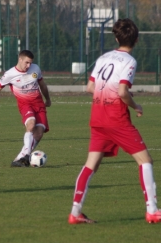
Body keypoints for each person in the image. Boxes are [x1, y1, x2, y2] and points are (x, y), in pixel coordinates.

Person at [68, 18, 161, 224]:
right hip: (116, 119)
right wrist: (136, 105)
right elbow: (122, 92)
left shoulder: (103, 58)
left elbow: (90, 88)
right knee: (145, 161)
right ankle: (153, 210)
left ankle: (75, 212)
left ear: (116, 37)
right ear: (136, 40)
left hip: (98, 118)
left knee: (91, 165)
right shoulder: (129, 61)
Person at [0, 50, 51, 167]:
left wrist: (48, 99)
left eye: (30, 63)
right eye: (26, 62)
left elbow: (42, 85)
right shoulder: (10, 74)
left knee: (39, 133)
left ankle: (19, 159)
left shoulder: (35, 69)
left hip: (39, 104)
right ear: (20, 59)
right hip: (25, 104)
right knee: (31, 125)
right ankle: (27, 155)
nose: (28, 66)